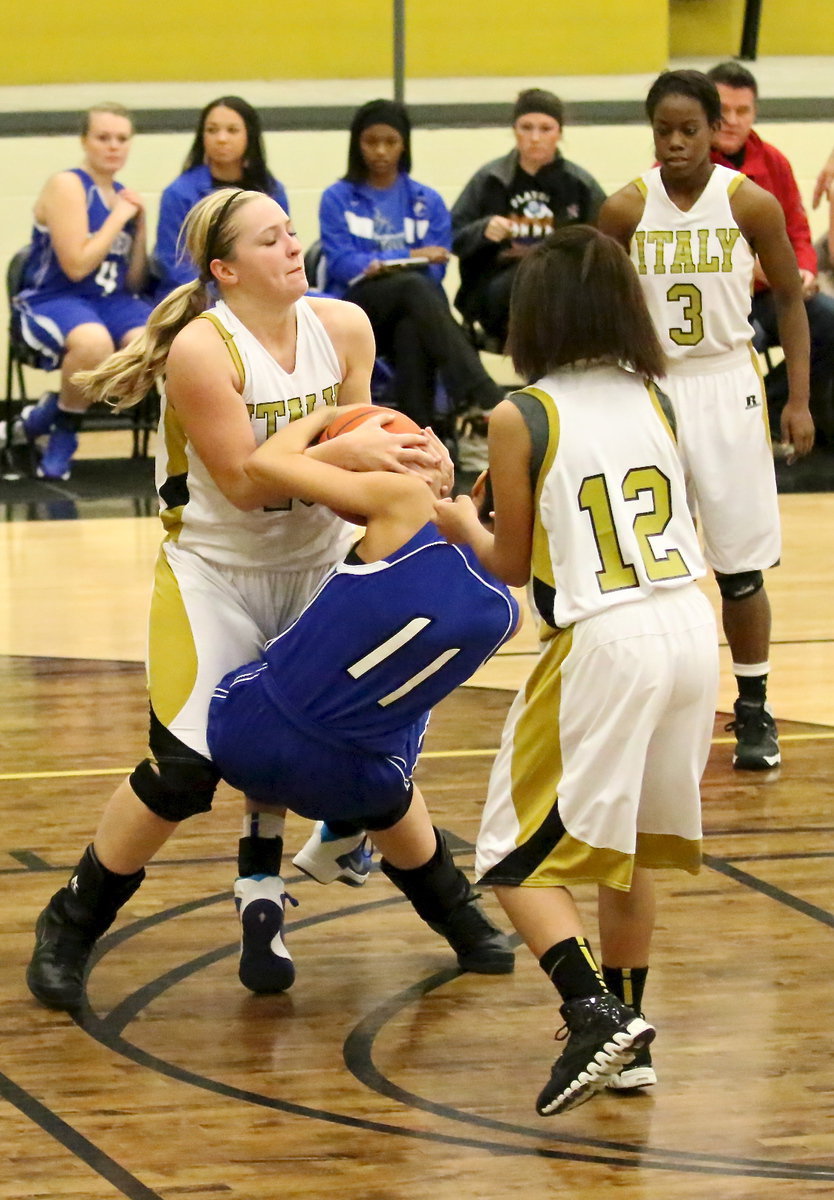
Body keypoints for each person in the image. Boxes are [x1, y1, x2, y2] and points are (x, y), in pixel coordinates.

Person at [25, 187, 448, 1013]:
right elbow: (248, 487)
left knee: (363, 755)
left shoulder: (345, 327)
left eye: (292, 233)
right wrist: (354, 451)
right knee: (185, 773)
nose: (294, 247)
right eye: (269, 240)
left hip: (318, 563)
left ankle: (458, 913)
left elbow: (357, 459)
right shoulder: (201, 349)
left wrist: (407, 463)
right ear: (225, 269)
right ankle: (69, 923)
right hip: (217, 571)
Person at [433, 224, 719, 1117]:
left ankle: (591, 1012)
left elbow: (510, 565)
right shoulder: (655, 395)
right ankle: (628, 1042)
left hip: (607, 640)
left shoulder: (524, 413)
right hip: (688, 628)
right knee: (623, 853)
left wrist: (456, 522)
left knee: (509, 852)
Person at [206, 405, 519, 988]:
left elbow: (266, 462)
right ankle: (457, 922)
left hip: (245, 733)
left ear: (476, 482)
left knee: (279, 666)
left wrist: (335, 420)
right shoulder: (508, 612)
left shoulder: (401, 503)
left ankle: (259, 885)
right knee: (396, 724)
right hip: (356, 783)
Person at [599, 69, 814, 772]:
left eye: (689, 128)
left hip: (727, 385)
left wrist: (799, 400)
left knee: (739, 567)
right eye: (664, 129)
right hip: (650, 389)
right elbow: (596, 310)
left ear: (716, 128)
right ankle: (650, 704)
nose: (676, 142)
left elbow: (789, 299)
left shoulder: (748, 203)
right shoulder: (624, 210)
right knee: (647, 564)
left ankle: (754, 709)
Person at [318, 98, 503, 429]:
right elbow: (343, 266)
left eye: (390, 141)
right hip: (358, 311)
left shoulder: (427, 200)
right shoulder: (337, 197)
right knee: (413, 287)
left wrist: (381, 263)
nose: (380, 151)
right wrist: (408, 258)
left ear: (404, 145)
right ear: (357, 144)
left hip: (413, 307)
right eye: (371, 141)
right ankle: (480, 393)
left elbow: (437, 269)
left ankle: (419, 436)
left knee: (413, 324)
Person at [11, 102, 152, 480]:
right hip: (55, 296)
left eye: (122, 139)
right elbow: (76, 265)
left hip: (110, 300)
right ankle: (65, 432)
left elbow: (134, 282)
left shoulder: (124, 196)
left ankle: (48, 412)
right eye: (103, 137)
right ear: (84, 141)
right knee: (94, 343)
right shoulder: (68, 185)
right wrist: (118, 218)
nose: (113, 146)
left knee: (152, 342)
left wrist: (140, 230)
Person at [705, 61, 834, 442]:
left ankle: (772, 408)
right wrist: (752, 270)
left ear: (754, 112)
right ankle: (730, 426)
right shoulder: (684, 165)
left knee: (829, 324)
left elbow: (797, 227)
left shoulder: (774, 160)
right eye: (722, 110)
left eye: (742, 110)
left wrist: (805, 272)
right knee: (750, 341)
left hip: (776, 293)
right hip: (718, 299)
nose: (731, 120)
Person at [450, 88, 606, 348]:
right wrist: (482, 230)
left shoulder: (580, 184)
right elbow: (451, 236)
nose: (535, 138)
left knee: (550, 282)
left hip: (561, 287)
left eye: (546, 129)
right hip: (498, 289)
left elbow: (608, 242)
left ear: (559, 133)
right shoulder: (490, 179)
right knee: (530, 278)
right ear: (514, 130)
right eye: (526, 127)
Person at [151, 95, 289, 300]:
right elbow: (174, 263)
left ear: (249, 136)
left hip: (261, 291)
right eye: (212, 130)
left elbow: (283, 250)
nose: (221, 138)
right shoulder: (179, 192)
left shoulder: (271, 190)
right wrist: (229, 292)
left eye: (232, 130)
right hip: (198, 296)